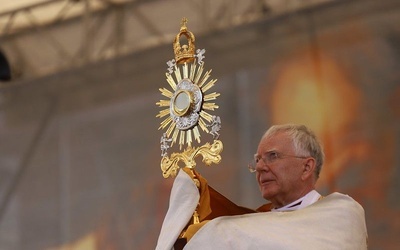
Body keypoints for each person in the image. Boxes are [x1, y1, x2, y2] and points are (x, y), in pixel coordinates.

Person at [156, 124, 367, 250]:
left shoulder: (341, 215)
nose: (260, 167)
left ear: (306, 167)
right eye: (257, 160)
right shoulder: (254, 225)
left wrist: (212, 233)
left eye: (272, 156)